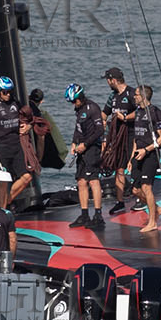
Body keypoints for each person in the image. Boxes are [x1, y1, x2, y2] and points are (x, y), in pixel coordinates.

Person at [0, 76, 32, 208]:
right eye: (4, 92)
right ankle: (2, 208)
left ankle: (5, 202)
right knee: (3, 182)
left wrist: (28, 126)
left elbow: (28, 117)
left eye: (10, 91)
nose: (8, 94)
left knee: (27, 177)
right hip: (1, 147)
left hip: (16, 145)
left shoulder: (15, 103)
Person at [65, 82, 105, 229]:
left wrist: (85, 144)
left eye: (74, 101)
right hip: (81, 149)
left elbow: (99, 130)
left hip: (92, 149)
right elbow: (78, 129)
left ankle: (98, 215)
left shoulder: (92, 108)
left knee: (93, 180)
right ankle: (84, 214)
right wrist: (74, 143)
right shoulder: (79, 110)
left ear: (80, 97)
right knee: (81, 181)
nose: (73, 104)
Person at [128, 84, 161, 232]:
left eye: (136, 95)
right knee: (135, 191)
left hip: (150, 154)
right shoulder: (138, 112)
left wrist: (146, 149)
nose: (134, 97)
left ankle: (152, 222)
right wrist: (131, 158)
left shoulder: (156, 113)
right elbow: (136, 137)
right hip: (138, 154)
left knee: (146, 187)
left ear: (143, 96)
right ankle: (156, 208)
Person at [101, 68, 136, 213]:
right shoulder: (113, 96)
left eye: (108, 81)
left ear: (113, 80)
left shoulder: (132, 93)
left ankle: (140, 197)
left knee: (134, 167)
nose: (108, 83)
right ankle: (120, 201)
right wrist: (102, 122)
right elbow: (105, 113)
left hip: (131, 136)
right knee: (119, 169)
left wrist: (126, 118)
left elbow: (141, 111)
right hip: (117, 138)